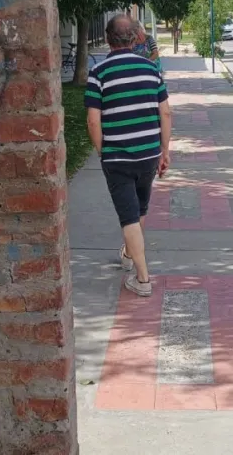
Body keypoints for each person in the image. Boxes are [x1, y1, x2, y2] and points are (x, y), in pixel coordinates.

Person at [85, 15, 172, 297]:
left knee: (128, 217)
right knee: (139, 209)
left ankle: (143, 278)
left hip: (118, 157)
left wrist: (102, 150)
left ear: (108, 39)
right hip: (148, 153)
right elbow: (166, 112)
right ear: (135, 38)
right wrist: (165, 150)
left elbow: (93, 121)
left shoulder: (99, 74)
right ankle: (127, 253)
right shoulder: (151, 70)